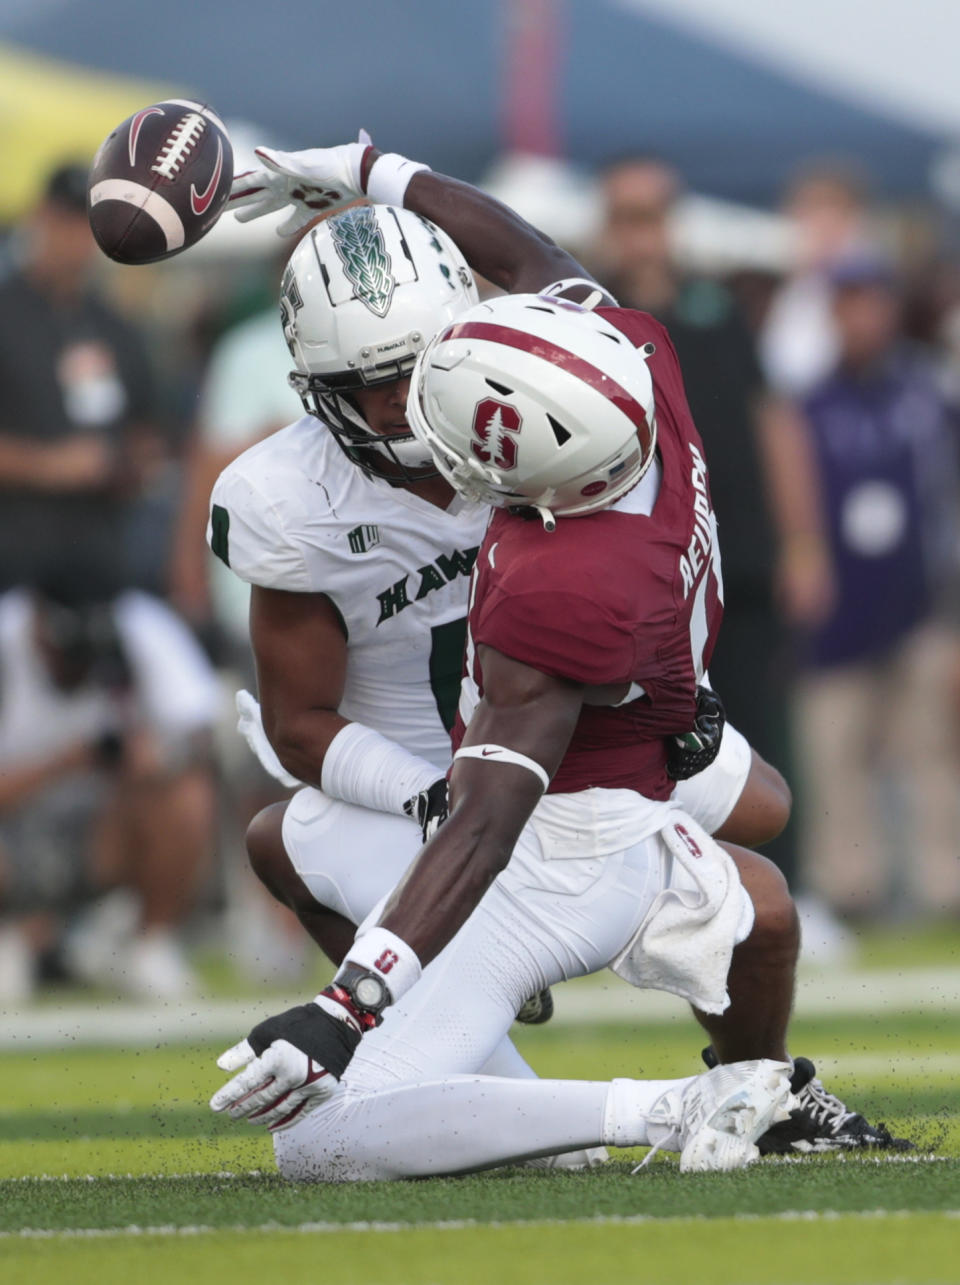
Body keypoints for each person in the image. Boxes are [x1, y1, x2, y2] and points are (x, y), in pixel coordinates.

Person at [207, 140, 907, 1176]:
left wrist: (345, 1005)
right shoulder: (637, 361)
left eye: (433, 385)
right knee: (759, 834)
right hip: (599, 733)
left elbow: (488, 821)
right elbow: (533, 254)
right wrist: (369, 163)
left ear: (519, 476)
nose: (427, 414)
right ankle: (743, 1082)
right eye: (387, 385)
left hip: (555, 821)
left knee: (324, 1139)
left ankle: (695, 1099)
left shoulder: (558, 582)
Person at [596, 155, 835, 895]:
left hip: (741, 557)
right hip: (640, 574)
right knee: (648, 737)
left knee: (763, 724)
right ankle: (660, 892)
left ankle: (785, 886)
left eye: (654, 216)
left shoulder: (718, 310)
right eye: (627, 218)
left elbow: (776, 427)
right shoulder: (592, 316)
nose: (643, 236)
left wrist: (803, 542)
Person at [795, 252, 960, 917]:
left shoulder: (929, 398)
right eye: (848, 303)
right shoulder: (806, 404)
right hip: (836, 616)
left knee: (932, 753)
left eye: (873, 301)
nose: (861, 317)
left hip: (920, 606)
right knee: (837, 754)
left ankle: (943, 886)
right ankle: (849, 890)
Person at [0, 579, 221, 1001]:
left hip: (101, 830)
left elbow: (202, 733)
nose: (75, 669)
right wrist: (68, 761)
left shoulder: (141, 628)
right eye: (64, 656)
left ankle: (147, 944)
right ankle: (27, 936)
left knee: (185, 792)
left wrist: (153, 757)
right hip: (12, 837)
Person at [0, 163, 160, 598]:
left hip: (103, 565)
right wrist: (48, 465)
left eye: (87, 223)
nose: (76, 238)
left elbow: (148, 435)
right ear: (40, 218)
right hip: (14, 566)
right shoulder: (7, 315)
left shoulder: (116, 328)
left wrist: (127, 466)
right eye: (65, 220)